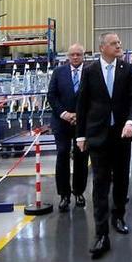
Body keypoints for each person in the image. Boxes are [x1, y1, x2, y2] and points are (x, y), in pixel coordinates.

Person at [76, 32, 132, 259]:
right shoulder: (90, 71)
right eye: (114, 43)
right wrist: (80, 136)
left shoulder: (127, 69)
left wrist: (131, 121)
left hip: (122, 135)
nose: (119, 46)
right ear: (102, 47)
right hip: (97, 135)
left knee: (122, 178)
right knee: (100, 183)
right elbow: (82, 103)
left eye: (119, 43)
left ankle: (119, 215)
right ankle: (101, 234)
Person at [46, 43, 89, 212]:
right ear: (68, 57)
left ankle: (79, 192)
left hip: (82, 123)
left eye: (79, 54)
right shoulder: (58, 72)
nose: (76, 57)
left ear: (83, 55)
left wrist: (80, 115)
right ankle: (64, 195)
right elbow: (51, 95)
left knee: (81, 157)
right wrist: (64, 114)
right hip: (61, 122)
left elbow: (93, 96)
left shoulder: (90, 72)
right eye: (73, 55)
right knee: (62, 155)